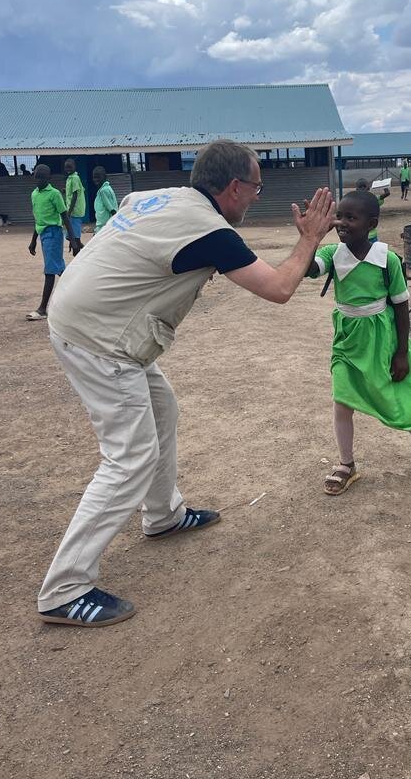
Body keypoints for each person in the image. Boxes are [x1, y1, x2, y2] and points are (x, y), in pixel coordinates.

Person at [37, 140, 336, 627]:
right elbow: (280, 288)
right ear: (235, 187)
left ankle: (163, 516)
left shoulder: (166, 197)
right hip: (100, 338)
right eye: (257, 187)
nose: (258, 197)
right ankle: (63, 589)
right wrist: (310, 238)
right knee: (129, 458)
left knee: (163, 411)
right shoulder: (210, 231)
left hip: (89, 318)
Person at [308, 190, 411, 495]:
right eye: (339, 216)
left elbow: (400, 306)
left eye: (350, 217)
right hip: (347, 340)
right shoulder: (333, 255)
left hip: (382, 340)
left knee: (394, 397)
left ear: (371, 223)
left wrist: (400, 352)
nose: (342, 223)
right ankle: (347, 464)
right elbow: (309, 269)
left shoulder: (387, 260)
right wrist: (309, 237)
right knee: (342, 399)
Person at [26, 165, 82, 321]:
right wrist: (33, 241)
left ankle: (43, 308)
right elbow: (38, 220)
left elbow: (65, 217)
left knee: (50, 271)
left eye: (42, 177)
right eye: (36, 176)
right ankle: (79, 298)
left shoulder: (55, 194)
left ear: (48, 178)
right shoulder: (34, 194)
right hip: (43, 234)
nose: (39, 180)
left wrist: (73, 239)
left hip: (53, 234)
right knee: (59, 270)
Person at [354, 177, 389, 242]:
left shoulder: (353, 201)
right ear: (368, 188)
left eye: (363, 186)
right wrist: (384, 184)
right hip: (372, 235)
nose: (362, 188)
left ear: (356, 189)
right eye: (361, 186)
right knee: (374, 251)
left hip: (359, 235)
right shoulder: (373, 199)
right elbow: (387, 193)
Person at [63, 158, 85, 255]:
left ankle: (79, 251)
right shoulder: (70, 178)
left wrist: (69, 211)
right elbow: (78, 190)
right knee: (71, 234)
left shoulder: (75, 178)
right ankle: (78, 246)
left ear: (74, 167)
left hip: (75, 211)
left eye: (70, 167)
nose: (68, 169)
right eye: (66, 167)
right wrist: (66, 190)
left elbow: (75, 195)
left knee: (75, 236)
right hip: (72, 210)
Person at [91, 166, 118, 233]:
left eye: (98, 177)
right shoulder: (107, 188)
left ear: (105, 177)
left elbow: (111, 208)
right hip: (105, 224)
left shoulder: (103, 191)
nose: (96, 179)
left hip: (104, 225)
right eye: (94, 177)